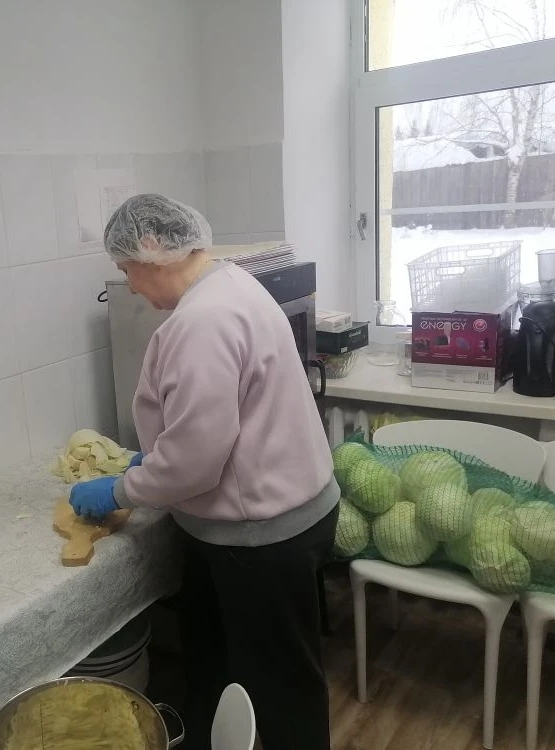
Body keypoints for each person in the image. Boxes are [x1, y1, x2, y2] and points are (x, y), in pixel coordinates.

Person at [69, 194, 338, 749]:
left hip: (258, 535)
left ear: (152, 250)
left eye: (126, 270)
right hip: (287, 511)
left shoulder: (201, 322)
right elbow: (224, 421)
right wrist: (158, 458)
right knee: (226, 661)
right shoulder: (234, 284)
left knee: (281, 688)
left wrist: (121, 489)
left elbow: (195, 461)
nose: (132, 288)